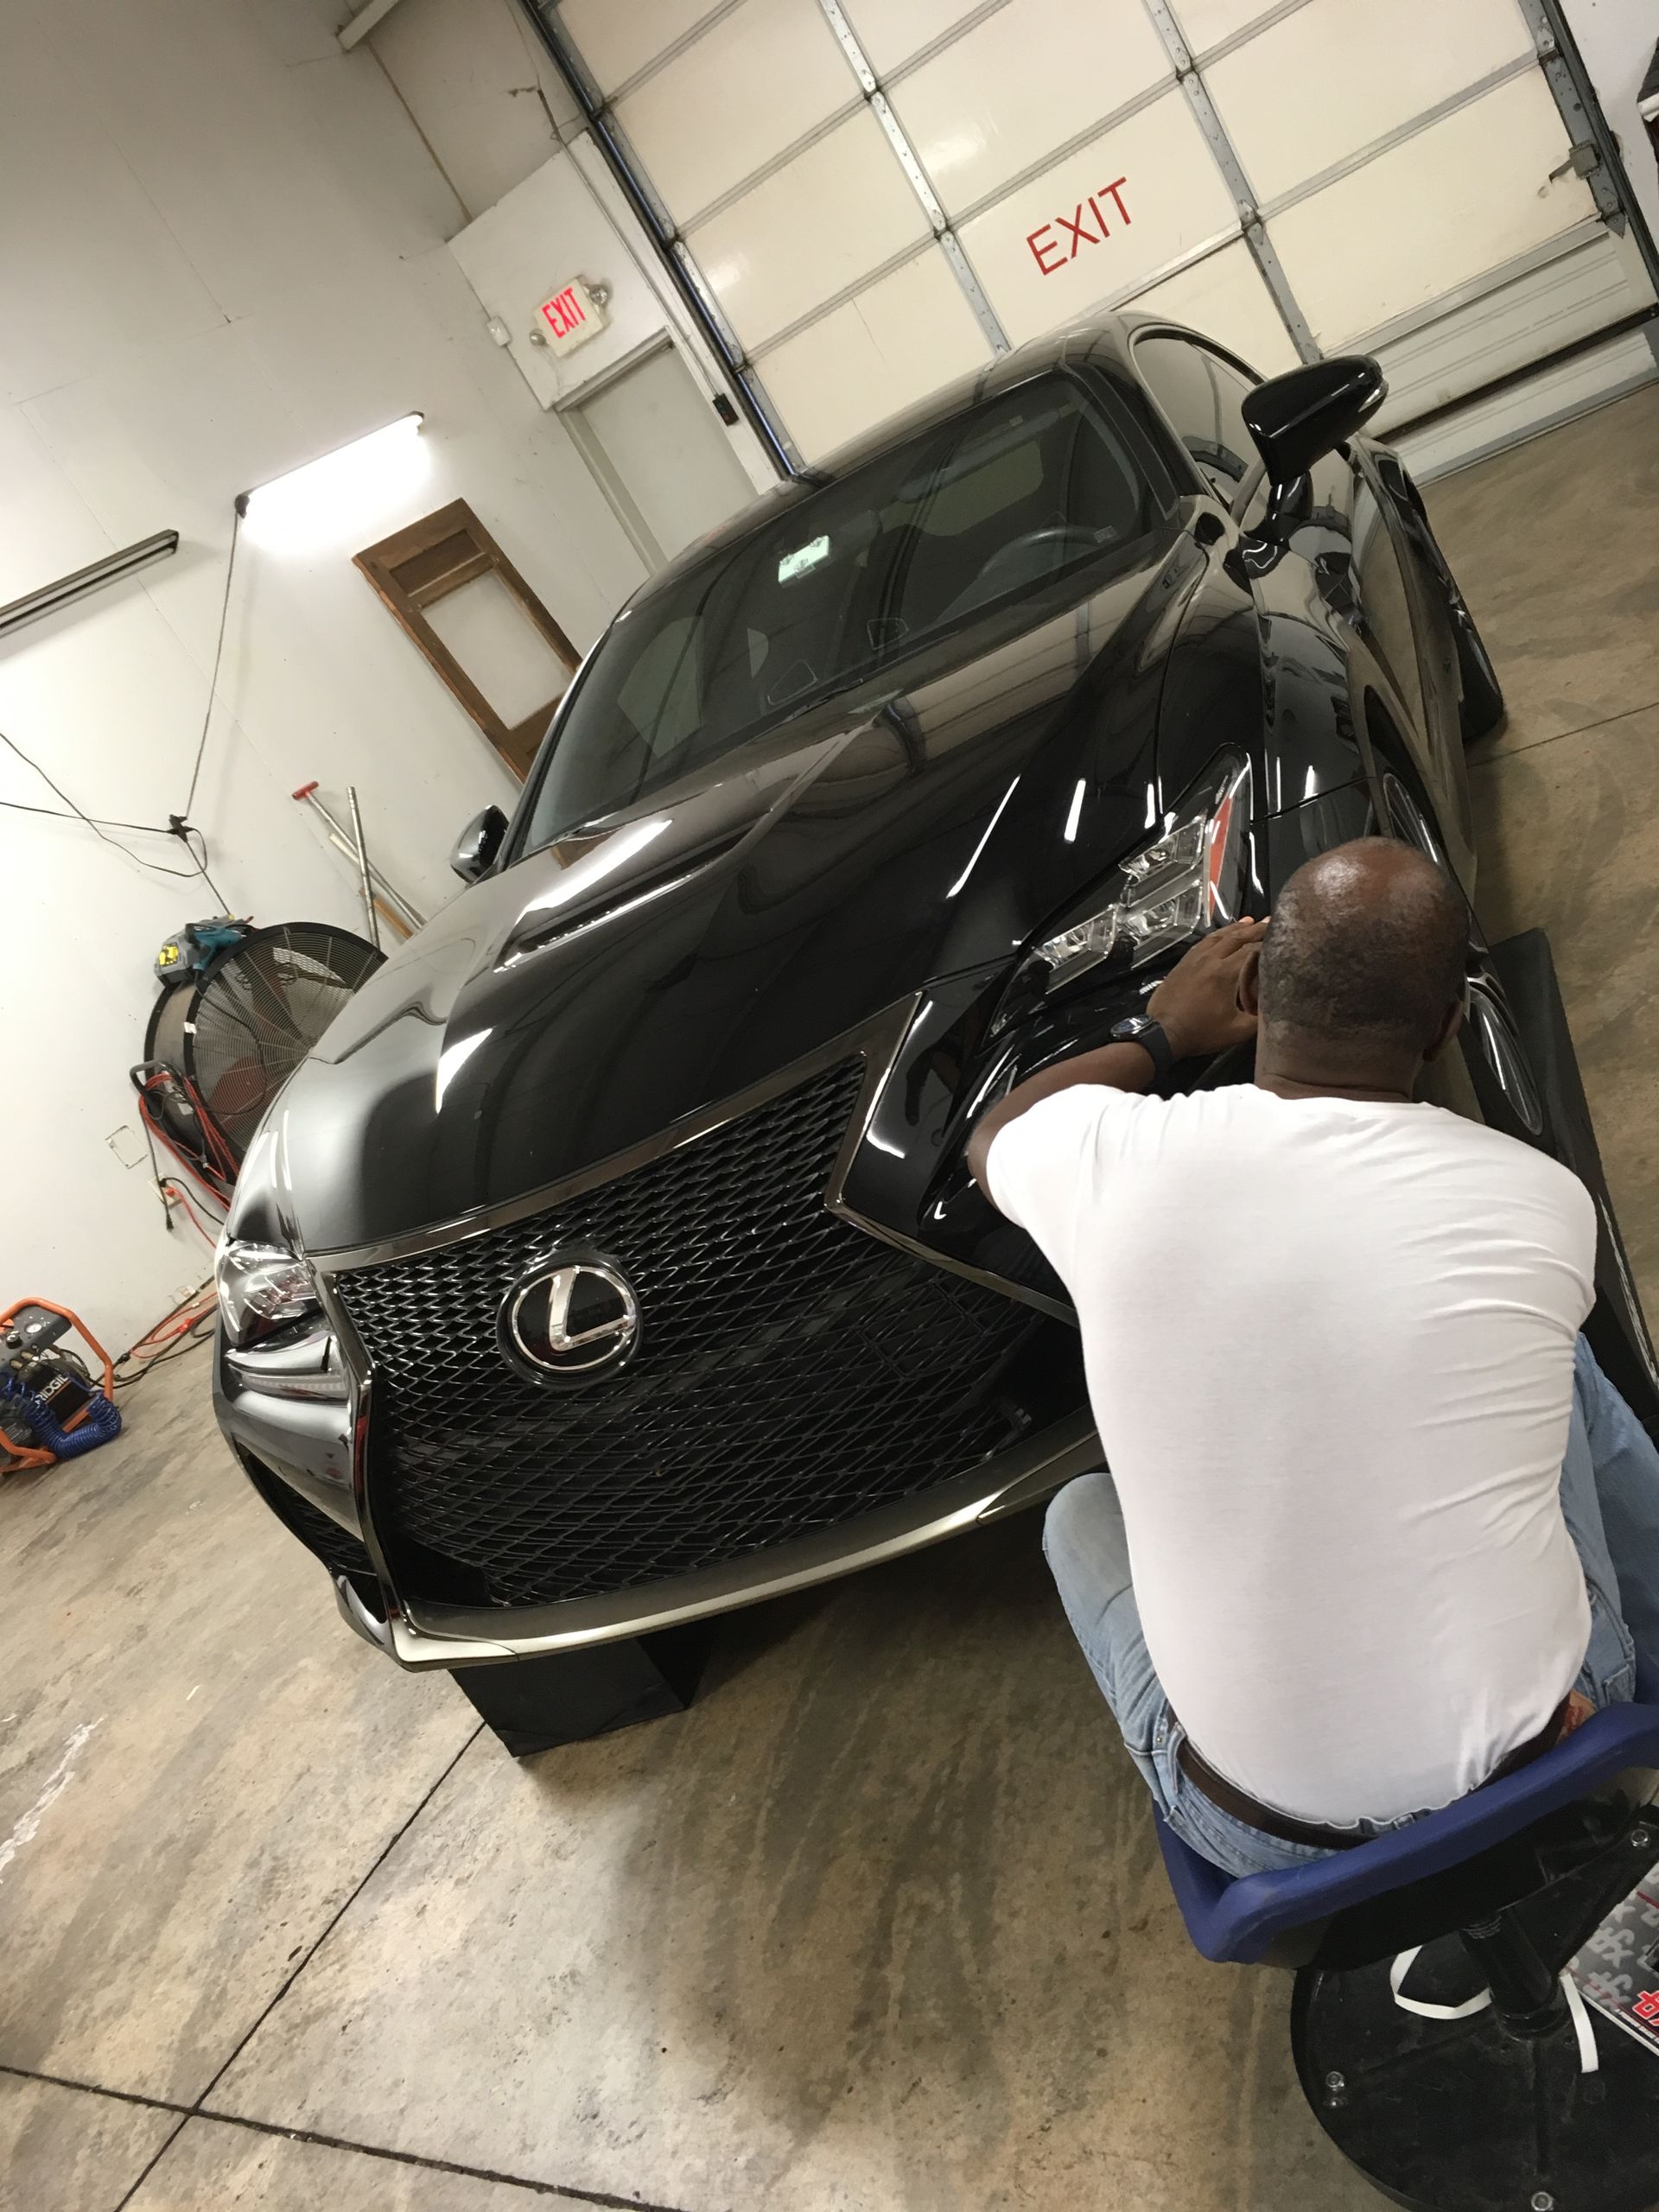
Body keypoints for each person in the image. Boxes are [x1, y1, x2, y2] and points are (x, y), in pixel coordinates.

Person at [967, 838, 1659, 1878]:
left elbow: (995, 1138)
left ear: (1251, 984)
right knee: (1543, 1359)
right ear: (1448, 1029)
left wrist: (1163, 1033)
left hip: (1269, 1843)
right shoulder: (1537, 1200)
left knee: (1075, 1514)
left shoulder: (1109, 1161)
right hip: (1559, 1743)